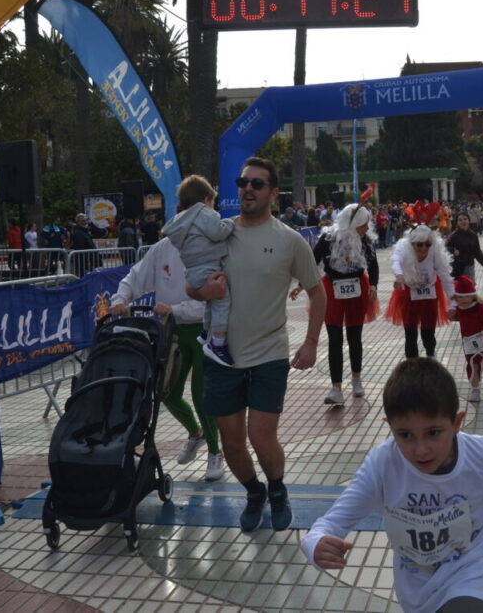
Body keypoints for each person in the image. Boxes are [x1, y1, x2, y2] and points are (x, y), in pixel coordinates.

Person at [301, 357, 483, 613]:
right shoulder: (382, 465)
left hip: (473, 569)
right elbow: (332, 522)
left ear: (457, 423)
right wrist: (315, 544)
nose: (420, 450)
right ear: (390, 426)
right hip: (416, 587)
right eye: (405, 435)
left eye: (433, 433)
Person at [187, 156, 326, 533]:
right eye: (243, 182)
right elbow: (191, 285)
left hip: (269, 355)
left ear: (273, 193)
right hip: (221, 355)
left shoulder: (289, 240)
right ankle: (254, 492)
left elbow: (317, 290)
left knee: (260, 436)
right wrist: (203, 291)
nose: (247, 188)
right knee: (231, 443)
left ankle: (278, 490)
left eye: (257, 184)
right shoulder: (220, 233)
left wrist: (312, 342)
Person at [110, 201, 224, 482]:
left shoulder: (212, 246)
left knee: (201, 393)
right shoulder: (162, 248)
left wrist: (176, 309)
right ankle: (195, 432)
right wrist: (120, 300)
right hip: (172, 331)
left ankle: (214, 451)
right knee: (165, 391)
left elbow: (214, 296)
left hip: (205, 329)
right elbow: (135, 276)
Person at [293, 203, 379, 406]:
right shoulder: (329, 237)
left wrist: (374, 284)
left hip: (357, 287)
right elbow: (312, 260)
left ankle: (356, 379)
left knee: (355, 336)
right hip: (332, 287)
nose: (367, 229)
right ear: (354, 224)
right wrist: (301, 284)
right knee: (334, 339)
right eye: (364, 225)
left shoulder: (365, 240)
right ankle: (336, 388)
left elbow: (373, 263)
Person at [162, 175, 236, 367]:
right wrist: (230, 224)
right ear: (205, 199)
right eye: (213, 201)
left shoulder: (179, 221)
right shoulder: (203, 212)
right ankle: (218, 343)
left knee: (210, 303)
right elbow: (218, 232)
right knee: (222, 300)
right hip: (208, 268)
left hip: (193, 273)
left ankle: (205, 332)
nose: (214, 206)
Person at [385, 225, 454, 359]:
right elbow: (396, 261)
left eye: (427, 244)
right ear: (411, 244)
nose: (423, 248)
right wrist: (399, 275)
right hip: (409, 293)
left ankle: (431, 358)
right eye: (419, 245)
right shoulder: (403, 247)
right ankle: (412, 364)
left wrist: (453, 303)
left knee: (428, 332)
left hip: (430, 294)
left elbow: (446, 278)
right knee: (410, 333)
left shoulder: (435, 251)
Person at [446, 212, 483, 281]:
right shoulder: (453, 236)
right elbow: (444, 250)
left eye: (465, 219)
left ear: (469, 221)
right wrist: (452, 250)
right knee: (457, 290)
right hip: (456, 269)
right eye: (460, 220)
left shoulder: (473, 236)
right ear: (457, 222)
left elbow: (478, 253)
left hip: (469, 267)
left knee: (470, 289)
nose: (463, 221)